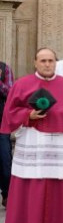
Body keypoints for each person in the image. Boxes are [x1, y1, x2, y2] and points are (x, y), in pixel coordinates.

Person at [1, 48, 63, 223]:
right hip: (33, 141)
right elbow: (10, 113)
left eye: (50, 60)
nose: (47, 64)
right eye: (43, 60)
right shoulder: (22, 84)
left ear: (56, 62)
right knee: (32, 186)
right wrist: (28, 115)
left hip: (59, 144)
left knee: (59, 187)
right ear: (35, 62)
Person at [0, 60, 14, 208]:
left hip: (1, 123)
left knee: (5, 159)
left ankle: (6, 193)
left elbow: (10, 92)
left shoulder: (4, 68)